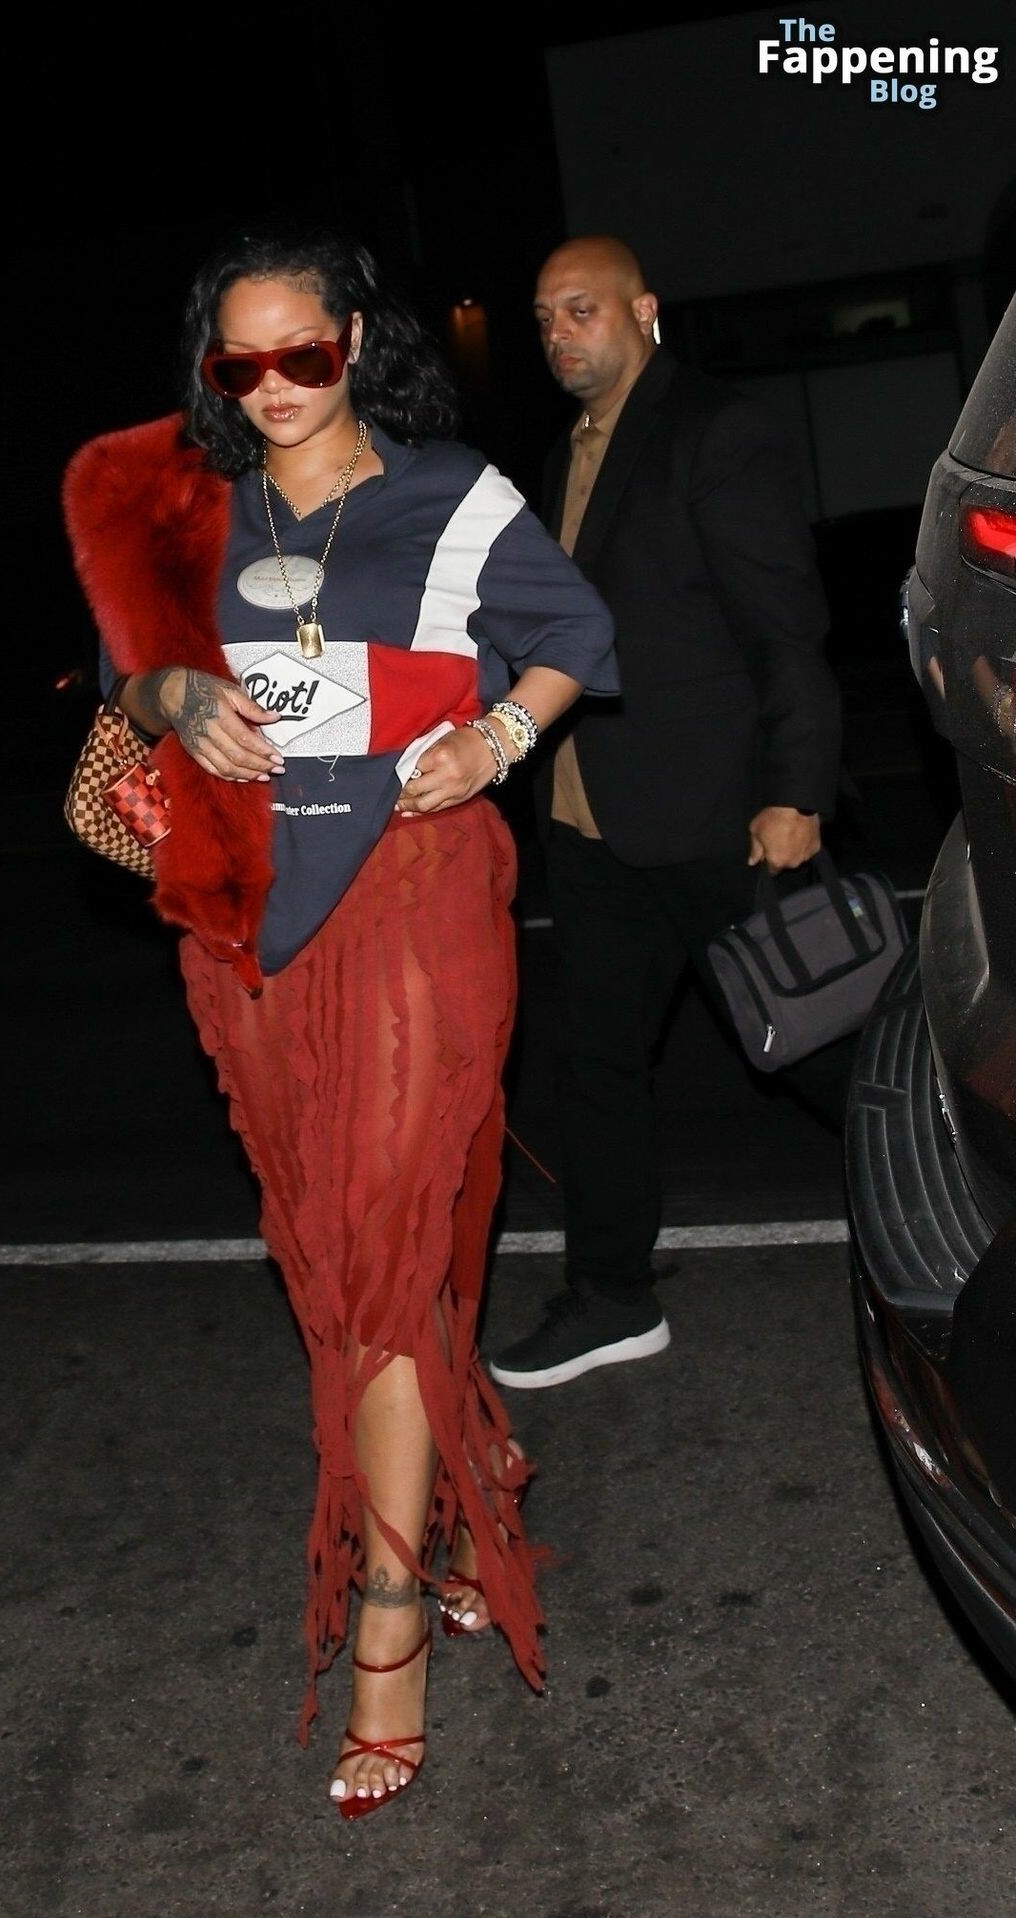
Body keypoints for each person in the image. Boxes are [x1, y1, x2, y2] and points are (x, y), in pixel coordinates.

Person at [62, 224, 617, 1818]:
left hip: (416, 893)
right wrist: (176, 698)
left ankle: (387, 1609)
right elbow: (122, 682)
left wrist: (498, 738)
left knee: (381, 1247)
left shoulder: (452, 494)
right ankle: (467, 1480)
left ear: (356, 341)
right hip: (252, 919)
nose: (274, 386)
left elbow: (577, 639)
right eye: (239, 362)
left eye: (302, 353)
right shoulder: (191, 510)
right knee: (350, 1250)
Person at [488, 236, 842, 1393]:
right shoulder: (564, 454)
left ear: (642, 311)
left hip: (711, 813)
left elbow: (784, 627)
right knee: (592, 1066)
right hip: (589, 822)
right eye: (543, 318)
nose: (558, 334)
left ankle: (969, 1200)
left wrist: (794, 791)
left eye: (579, 310)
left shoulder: (712, 432)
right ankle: (609, 1297)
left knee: (816, 1045)